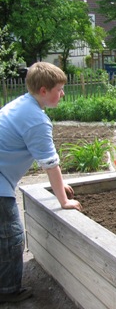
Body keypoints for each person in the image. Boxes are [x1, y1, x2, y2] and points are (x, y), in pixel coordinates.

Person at [0, 62, 82, 304]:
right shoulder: (36, 119)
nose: (63, 93)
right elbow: (50, 163)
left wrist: (61, 185)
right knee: (11, 237)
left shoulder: (23, 105)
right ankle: (7, 291)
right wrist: (63, 200)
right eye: (59, 89)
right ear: (44, 90)